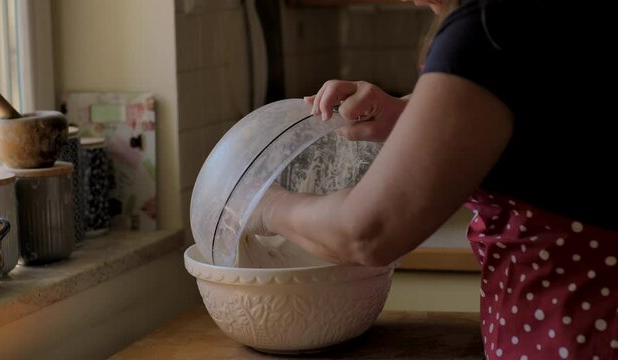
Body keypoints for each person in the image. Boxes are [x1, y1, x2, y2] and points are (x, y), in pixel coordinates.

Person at [247, 0, 616, 358]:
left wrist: (264, 203)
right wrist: (411, 118)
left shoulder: (487, 27)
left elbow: (366, 233)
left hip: (580, 335)